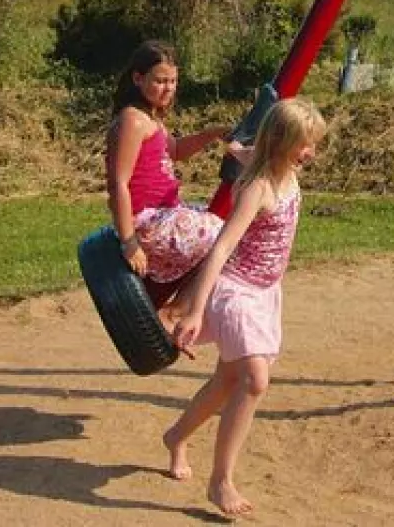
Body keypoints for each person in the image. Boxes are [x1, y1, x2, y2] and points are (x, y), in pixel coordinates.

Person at [165, 96, 326, 520]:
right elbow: (220, 251)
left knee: (226, 382)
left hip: (265, 292)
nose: (311, 153)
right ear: (281, 142)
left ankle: (176, 436)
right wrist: (195, 312)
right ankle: (221, 481)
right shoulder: (259, 187)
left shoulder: (280, 166)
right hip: (235, 290)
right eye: (305, 144)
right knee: (255, 380)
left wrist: (233, 147)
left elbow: (242, 150)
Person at [106, 41, 244, 297]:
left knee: (230, 224)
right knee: (223, 234)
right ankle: (179, 310)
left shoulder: (152, 118)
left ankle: (187, 303)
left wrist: (211, 134)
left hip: (164, 213)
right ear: (138, 78)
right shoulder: (132, 120)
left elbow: (176, 151)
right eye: (160, 81)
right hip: (147, 223)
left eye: (172, 81)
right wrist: (129, 242)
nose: (167, 88)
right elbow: (118, 183)